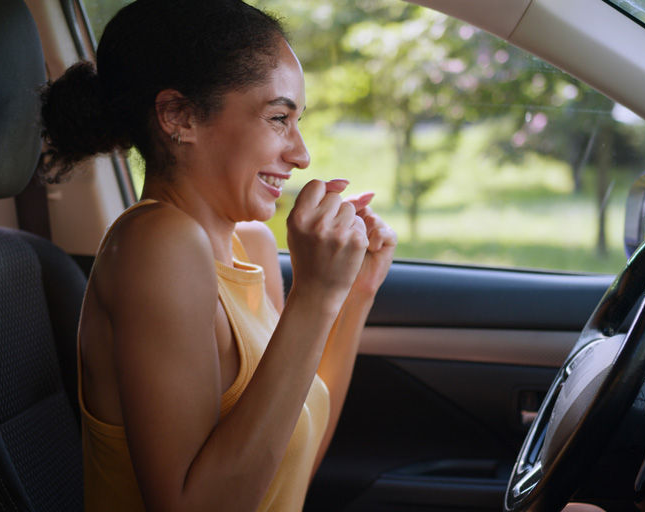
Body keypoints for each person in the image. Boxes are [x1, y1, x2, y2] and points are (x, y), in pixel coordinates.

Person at [39, 0, 396, 510]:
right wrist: (315, 295)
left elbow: (284, 464)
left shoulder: (249, 244)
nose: (301, 154)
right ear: (178, 116)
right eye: (278, 118)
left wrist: (355, 292)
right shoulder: (156, 243)